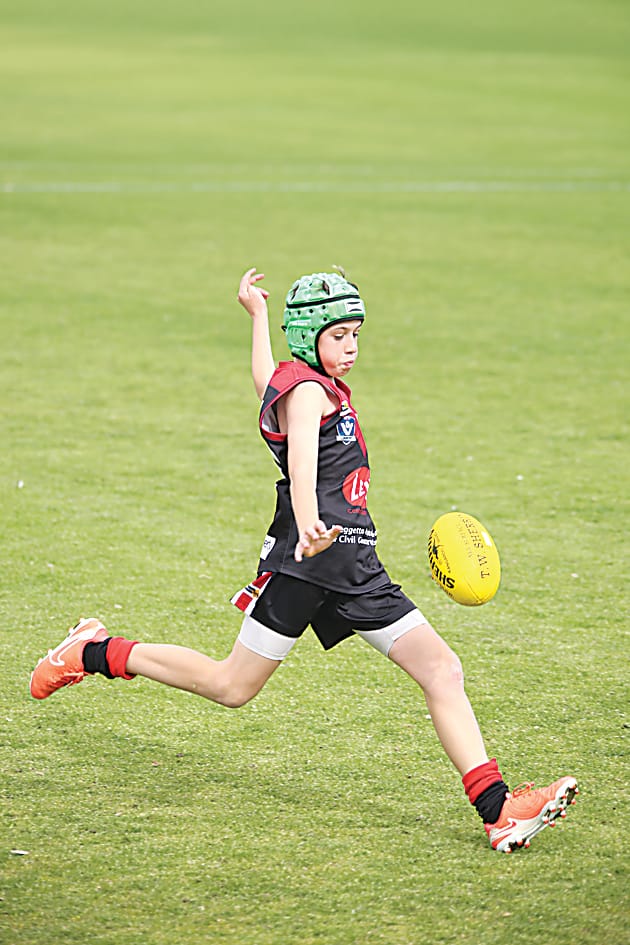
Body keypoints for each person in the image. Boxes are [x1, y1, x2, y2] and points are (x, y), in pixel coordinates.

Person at [30, 267, 578, 853]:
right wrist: (310, 519)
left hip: (356, 563)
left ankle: (498, 812)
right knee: (230, 685)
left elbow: (266, 378)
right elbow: (302, 465)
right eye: (339, 335)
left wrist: (257, 315)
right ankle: (89, 651)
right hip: (309, 561)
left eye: (357, 335)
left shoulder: (302, 384)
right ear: (311, 336)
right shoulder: (311, 392)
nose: (352, 348)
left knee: (441, 670)